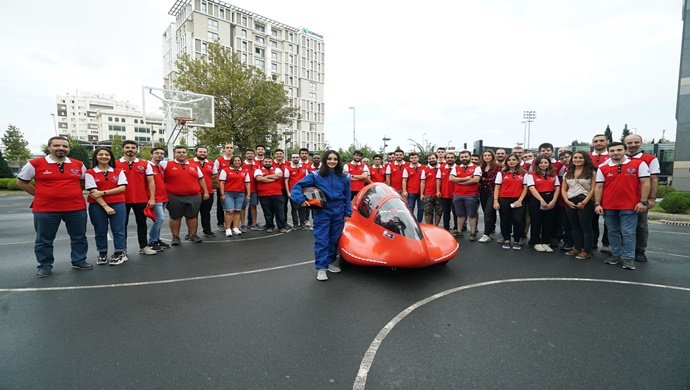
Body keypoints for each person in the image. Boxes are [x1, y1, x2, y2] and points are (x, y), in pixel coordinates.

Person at [16, 136, 93, 277]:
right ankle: (45, 266)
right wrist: (39, 194)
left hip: (75, 208)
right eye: (57, 145)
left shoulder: (78, 164)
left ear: (68, 149)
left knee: (79, 237)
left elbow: (83, 182)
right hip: (46, 209)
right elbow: (21, 182)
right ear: (49, 147)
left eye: (65, 146)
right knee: (44, 240)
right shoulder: (35, 163)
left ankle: (79, 260)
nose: (61, 148)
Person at [290, 150, 352, 281]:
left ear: (338, 161)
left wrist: (347, 212)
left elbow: (347, 196)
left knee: (334, 240)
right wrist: (301, 200)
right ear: (324, 160)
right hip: (322, 211)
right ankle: (321, 268)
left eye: (335, 159)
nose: (332, 161)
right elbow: (296, 187)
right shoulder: (315, 175)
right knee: (322, 240)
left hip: (339, 212)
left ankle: (329, 262)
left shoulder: (344, 177)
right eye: (329, 159)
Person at [594, 142, 650, 270]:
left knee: (628, 233)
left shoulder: (638, 164)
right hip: (609, 206)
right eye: (612, 150)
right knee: (613, 232)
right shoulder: (603, 168)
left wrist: (643, 201)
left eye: (619, 150)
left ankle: (628, 258)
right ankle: (615, 255)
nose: (615, 153)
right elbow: (598, 187)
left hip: (630, 206)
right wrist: (597, 203)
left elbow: (646, 183)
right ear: (608, 152)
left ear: (625, 150)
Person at [84, 147, 128, 265]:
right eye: (100, 154)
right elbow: (93, 192)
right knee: (100, 230)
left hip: (118, 203)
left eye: (107, 155)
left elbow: (122, 188)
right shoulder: (90, 172)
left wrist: (103, 192)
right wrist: (105, 206)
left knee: (119, 230)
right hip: (97, 206)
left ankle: (120, 253)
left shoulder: (118, 171)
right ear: (96, 157)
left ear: (111, 157)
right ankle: (102, 253)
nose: (104, 157)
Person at [161, 146, 210, 245]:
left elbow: (201, 179)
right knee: (175, 217)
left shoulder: (194, 166)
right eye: (179, 152)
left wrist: (206, 191)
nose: (181, 154)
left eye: (183, 152)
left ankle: (193, 235)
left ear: (187, 154)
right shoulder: (166, 164)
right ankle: (175, 237)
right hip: (174, 196)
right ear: (174, 154)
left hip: (194, 196)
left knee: (192, 216)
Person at [116, 140, 157, 255]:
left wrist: (152, 198)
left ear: (136, 149)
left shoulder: (144, 163)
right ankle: (122, 248)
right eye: (127, 147)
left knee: (142, 224)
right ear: (123, 149)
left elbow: (151, 181)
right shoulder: (115, 163)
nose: (130, 149)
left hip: (140, 199)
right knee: (122, 225)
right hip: (121, 200)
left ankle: (144, 246)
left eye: (133, 148)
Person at [624, 134, 660, 262]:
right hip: (621, 199)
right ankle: (623, 250)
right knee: (620, 227)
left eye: (636, 142)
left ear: (641, 142)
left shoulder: (649, 159)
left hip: (639, 199)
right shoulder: (618, 158)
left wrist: (651, 198)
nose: (633, 145)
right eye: (630, 143)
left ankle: (639, 251)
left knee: (641, 225)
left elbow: (653, 179)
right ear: (625, 144)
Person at [561, 151, 596, 260]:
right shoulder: (568, 172)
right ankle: (577, 247)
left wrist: (584, 202)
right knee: (574, 226)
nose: (578, 159)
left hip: (585, 201)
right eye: (575, 157)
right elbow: (563, 188)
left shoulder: (591, 172)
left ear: (585, 159)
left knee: (586, 227)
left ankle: (587, 250)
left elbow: (594, 188)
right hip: (570, 201)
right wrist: (567, 201)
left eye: (581, 157)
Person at [525, 155, 560, 252]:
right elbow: (532, 188)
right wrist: (541, 200)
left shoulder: (553, 175)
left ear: (549, 164)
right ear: (537, 164)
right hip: (536, 199)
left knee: (548, 222)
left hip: (551, 198)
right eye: (541, 163)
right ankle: (535, 241)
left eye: (546, 162)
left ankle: (545, 242)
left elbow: (557, 188)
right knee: (536, 221)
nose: (543, 164)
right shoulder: (531, 174)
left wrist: (553, 200)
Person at [493, 154, 528, 250]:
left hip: (518, 200)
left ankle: (516, 240)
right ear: (506, 162)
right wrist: (495, 201)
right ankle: (507, 239)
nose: (511, 161)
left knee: (518, 220)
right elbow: (497, 188)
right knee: (505, 219)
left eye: (514, 160)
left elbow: (525, 188)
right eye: (509, 160)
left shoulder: (524, 173)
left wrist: (520, 200)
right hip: (504, 199)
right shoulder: (502, 173)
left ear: (518, 161)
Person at [449, 150, 481, 240]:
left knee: (472, 215)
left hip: (471, 195)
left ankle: (473, 233)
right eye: (462, 157)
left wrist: (460, 182)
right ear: (460, 158)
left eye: (466, 156)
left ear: (470, 157)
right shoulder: (456, 167)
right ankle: (459, 232)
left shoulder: (476, 168)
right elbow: (451, 178)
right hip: (457, 195)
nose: (464, 158)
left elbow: (476, 180)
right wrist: (466, 179)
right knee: (460, 214)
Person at [255, 154, 289, 233]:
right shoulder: (258, 170)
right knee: (267, 212)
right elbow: (259, 179)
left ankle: (281, 227)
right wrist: (272, 178)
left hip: (277, 194)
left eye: (269, 162)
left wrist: (265, 176)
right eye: (266, 162)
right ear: (263, 162)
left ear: (272, 162)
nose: (268, 163)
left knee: (280, 211)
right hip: (264, 195)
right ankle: (269, 226)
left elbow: (279, 176)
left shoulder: (277, 169)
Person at [218, 156, 251, 237]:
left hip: (240, 194)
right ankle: (228, 228)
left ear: (241, 162)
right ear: (232, 161)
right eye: (235, 160)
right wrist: (222, 194)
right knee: (229, 211)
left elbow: (247, 183)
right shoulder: (225, 170)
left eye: (239, 160)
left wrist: (248, 195)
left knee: (237, 211)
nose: (237, 162)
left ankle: (235, 227)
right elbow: (222, 182)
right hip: (228, 193)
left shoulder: (245, 171)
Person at [590, 134, 610, 253]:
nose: (598, 143)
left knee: (609, 222)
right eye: (596, 141)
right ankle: (592, 242)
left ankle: (606, 243)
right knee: (592, 220)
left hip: (608, 194)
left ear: (607, 142)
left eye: (601, 140)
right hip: (591, 194)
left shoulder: (612, 155)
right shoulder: (587, 156)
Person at [190, 146, 216, 237]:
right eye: (200, 151)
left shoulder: (211, 163)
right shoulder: (189, 162)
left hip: (208, 192)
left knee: (206, 213)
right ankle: (192, 233)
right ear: (196, 152)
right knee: (193, 214)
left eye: (204, 152)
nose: (202, 153)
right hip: (194, 192)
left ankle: (207, 230)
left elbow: (214, 175)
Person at [478, 149, 502, 242]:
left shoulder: (498, 166)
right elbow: (477, 179)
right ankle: (491, 230)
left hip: (492, 191)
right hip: (483, 191)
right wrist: (482, 179)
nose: (487, 157)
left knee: (488, 212)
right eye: (485, 155)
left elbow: (494, 180)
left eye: (489, 155)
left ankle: (486, 234)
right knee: (487, 212)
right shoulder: (481, 167)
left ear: (492, 156)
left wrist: (482, 179)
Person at [148, 147, 169, 251]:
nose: (159, 155)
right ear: (151, 154)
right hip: (155, 198)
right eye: (157, 153)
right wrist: (150, 198)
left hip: (163, 196)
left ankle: (157, 239)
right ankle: (152, 241)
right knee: (159, 219)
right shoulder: (148, 166)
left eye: (161, 153)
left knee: (159, 220)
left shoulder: (160, 167)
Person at [284, 152, 310, 229]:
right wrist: (288, 192)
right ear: (291, 159)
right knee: (294, 208)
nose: (295, 159)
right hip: (293, 192)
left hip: (302, 192)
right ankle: (295, 224)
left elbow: (307, 180)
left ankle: (302, 224)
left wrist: (307, 191)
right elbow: (286, 181)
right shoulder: (288, 168)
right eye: (293, 157)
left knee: (303, 208)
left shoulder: (304, 168)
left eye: (296, 157)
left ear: (299, 158)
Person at [213, 143, 236, 231]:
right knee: (220, 206)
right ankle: (220, 223)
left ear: (233, 150)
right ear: (224, 149)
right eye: (227, 148)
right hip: (222, 187)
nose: (229, 149)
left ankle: (233, 224)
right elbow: (215, 173)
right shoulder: (219, 160)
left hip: (234, 187)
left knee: (233, 206)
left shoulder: (236, 160)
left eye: (231, 148)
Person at [436, 152, 457, 233]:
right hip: (444, 194)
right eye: (448, 157)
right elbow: (438, 180)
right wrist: (438, 191)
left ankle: (456, 228)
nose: (450, 159)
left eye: (452, 157)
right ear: (445, 159)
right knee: (446, 213)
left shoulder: (458, 168)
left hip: (456, 194)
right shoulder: (441, 168)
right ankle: (446, 229)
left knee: (456, 213)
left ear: (455, 159)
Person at [241, 149, 261, 231]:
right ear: (245, 155)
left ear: (254, 155)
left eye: (251, 154)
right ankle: (242, 224)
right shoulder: (241, 164)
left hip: (254, 189)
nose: (250, 155)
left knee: (253, 206)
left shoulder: (257, 164)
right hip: (242, 189)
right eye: (248, 153)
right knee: (243, 207)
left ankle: (254, 223)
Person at [420, 153, 442, 225]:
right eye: (430, 159)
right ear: (427, 160)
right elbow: (422, 182)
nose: (431, 160)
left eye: (433, 158)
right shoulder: (425, 169)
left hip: (440, 193)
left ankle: (436, 226)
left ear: (436, 158)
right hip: (428, 193)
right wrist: (421, 194)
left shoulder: (442, 168)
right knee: (427, 211)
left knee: (439, 211)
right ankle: (429, 226)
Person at [402, 152, 424, 222]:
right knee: (410, 208)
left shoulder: (424, 167)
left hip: (421, 192)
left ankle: (419, 223)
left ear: (418, 158)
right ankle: (411, 222)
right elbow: (404, 180)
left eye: (415, 157)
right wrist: (404, 190)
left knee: (421, 209)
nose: (414, 159)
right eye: (412, 158)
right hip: (411, 191)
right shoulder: (407, 168)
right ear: (409, 159)